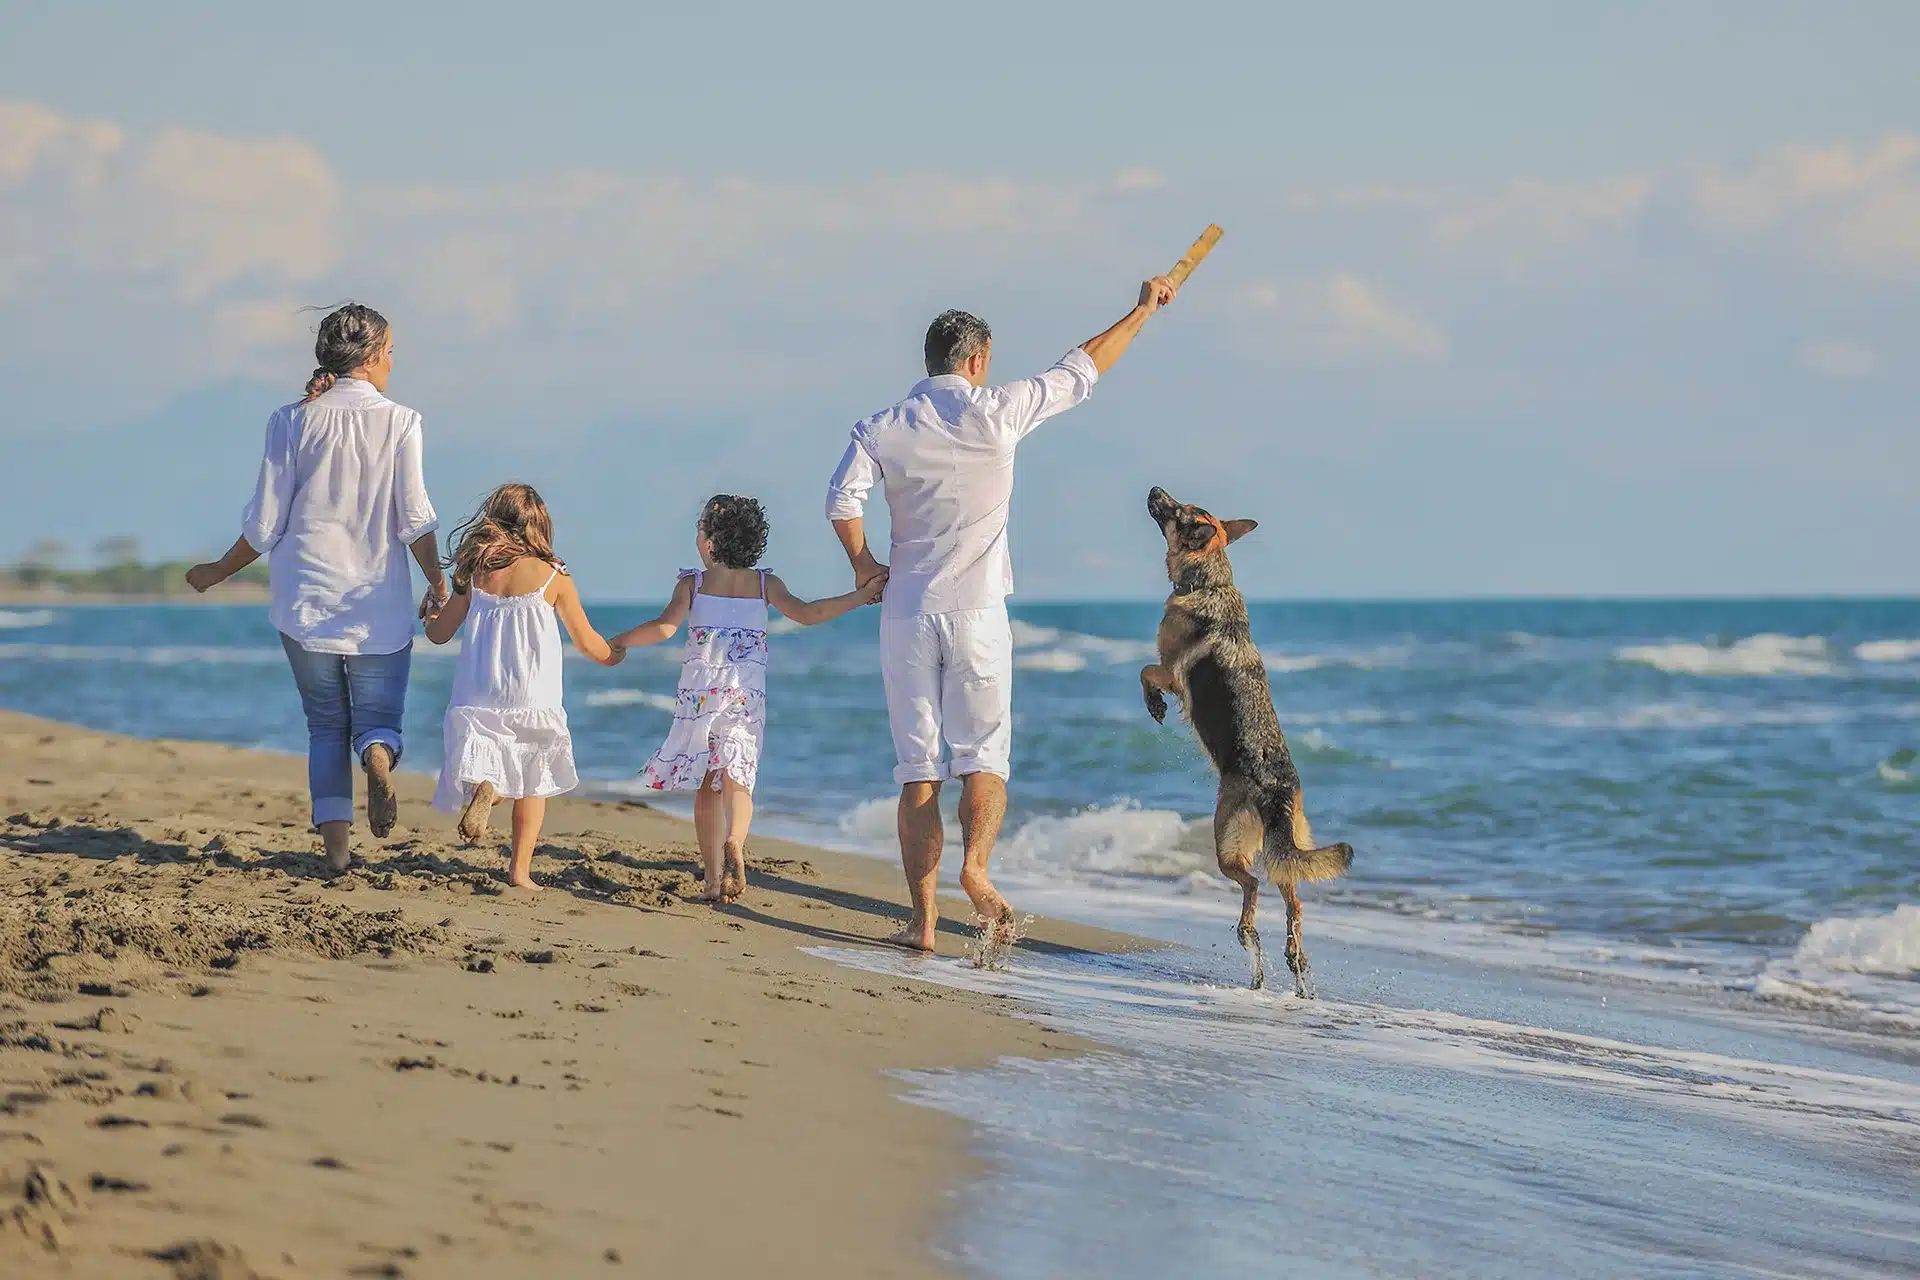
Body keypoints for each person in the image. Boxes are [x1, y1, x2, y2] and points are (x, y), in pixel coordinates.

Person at [825, 275, 1180, 951]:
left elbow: (842, 502)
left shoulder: (881, 427)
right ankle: (976, 868)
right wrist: (1141, 309)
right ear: (978, 360)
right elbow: (1083, 366)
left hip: (906, 612)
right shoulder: (998, 412)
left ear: (930, 361)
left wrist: (864, 567)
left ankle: (924, 924)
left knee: (918, 769)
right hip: (979, 614)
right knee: (983, 756)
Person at [186, 303, 445, 874]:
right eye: (392, 353)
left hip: (305, 598)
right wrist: (437, 581)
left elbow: (263, 526)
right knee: (377, 719)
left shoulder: (289, 420)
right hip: (376, 601)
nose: (393, 363)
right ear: (374, 357)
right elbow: (415, 519)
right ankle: (377, 757)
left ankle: (336, 855)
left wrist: (216, 572)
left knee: (326, 723)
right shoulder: (402, 421)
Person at [612, 495, 884, 903]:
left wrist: (619, 642)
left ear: (708, 543)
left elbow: (665, 628)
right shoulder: (764, 584)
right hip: (745, 697)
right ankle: (736, 842)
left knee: (707, 785)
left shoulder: (695, 584)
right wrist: (859, 597)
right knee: (738, 777)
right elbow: (809, 614)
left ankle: (710, 881)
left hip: (701, 698)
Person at [424, 484, 622, 890]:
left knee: (492, 758)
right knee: (533, 779)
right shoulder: (554, 575)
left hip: (479, 688)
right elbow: (587, 642)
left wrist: (429, 616)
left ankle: (488, 789)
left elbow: (441, 634)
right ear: (539, 524)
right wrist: (614, 654)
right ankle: (519, 872)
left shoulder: (475, 570)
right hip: (532, 692)